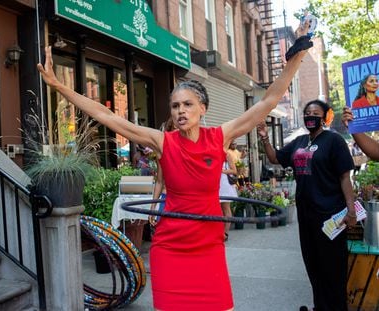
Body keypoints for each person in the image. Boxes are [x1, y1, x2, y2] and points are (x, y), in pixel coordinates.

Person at [37, 21, 310, 310]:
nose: (181, 111)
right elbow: (109, 118)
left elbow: (268, 100)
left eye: (188, 104)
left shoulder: (219, 137)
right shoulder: (163, 141)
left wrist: (299, 54)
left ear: (202, 108)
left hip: (208, 245)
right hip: (171, 246)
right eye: (175, 106)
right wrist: (57, 85)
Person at [257, 100, 357, 311]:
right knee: (313, 265)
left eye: (315, 113)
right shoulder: (298, 142)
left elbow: (344, 177)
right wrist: (265, 137)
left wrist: (351, 210)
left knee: (333, 267)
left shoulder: (334, 141)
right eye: (307, 113)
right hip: (307, 215)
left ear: (325, 117)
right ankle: (320, 306)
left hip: (331, 216)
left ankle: (336, 308)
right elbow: (275, 158)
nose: (310, 116)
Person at [220, 152, 238, 241]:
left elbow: (234, 170)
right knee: (218, 209)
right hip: (216, 184)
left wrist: (222, 170)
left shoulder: (227, 154)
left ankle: (225, 232)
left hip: (225, 185)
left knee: (226, 208)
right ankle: (219, 231)